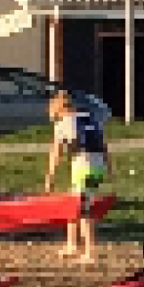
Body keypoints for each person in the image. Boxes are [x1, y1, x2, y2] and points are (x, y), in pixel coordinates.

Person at [44, 90, 114, 264]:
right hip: (98, 166)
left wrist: (50, 178)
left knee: (83, 209)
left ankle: (90, 253)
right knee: (73, 202)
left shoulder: (62, 125)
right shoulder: (89, 118)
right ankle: (71, 244)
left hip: (83, 166)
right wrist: (110, 169)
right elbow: (103, 145)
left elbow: (56, 154)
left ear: (58, 110)